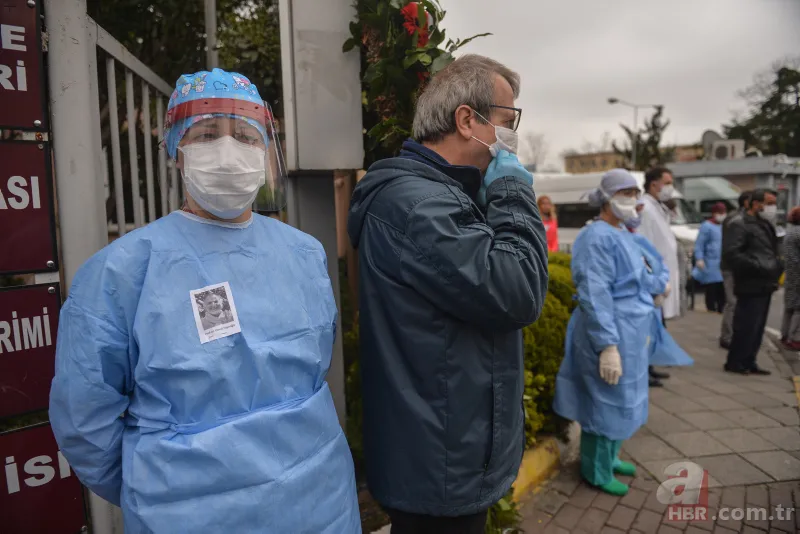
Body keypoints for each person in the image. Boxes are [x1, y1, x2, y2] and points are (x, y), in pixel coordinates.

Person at [49, 69, 361, 534]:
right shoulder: (122, 271)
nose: (229, 152)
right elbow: (84, 419)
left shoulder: (303, 253)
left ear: (264, 149)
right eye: (208, 134)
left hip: (320, 503)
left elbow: (313, 370)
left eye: (246, 136)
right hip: (186, 514)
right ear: (177, 150)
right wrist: (160, 487)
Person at [347, 54, 548, 533]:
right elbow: (517, 289)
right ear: (466, 120)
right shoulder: (417, 204)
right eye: (507, 120)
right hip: (438, 464)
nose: (510, 136)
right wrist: (513, 193)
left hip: (445, 454)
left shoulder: (443, 195)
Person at [553, 169, 664, 497]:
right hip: (609, 329)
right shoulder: (595, 237)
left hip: (632, 331)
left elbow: (639, 273)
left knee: (626, 396)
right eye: (625, 193)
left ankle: (611, 457)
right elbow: (594, 292)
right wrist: (607, 345)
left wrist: (655, 288)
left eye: (635, 193)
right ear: (606, 198)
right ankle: (595, 470)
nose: (633, 200)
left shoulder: (623, 233)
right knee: (604, 399)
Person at [722, 188, 782, 375]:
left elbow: (770, 249)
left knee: (757, 327)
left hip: (765, 282)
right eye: (769, 203)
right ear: (756, 204)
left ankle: (750, 360)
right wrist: (758, 265)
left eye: (774, 204)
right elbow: (732, 254)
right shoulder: (739, 224)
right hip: (750, 282)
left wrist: (777, 265)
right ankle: (736, 362)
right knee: (746, 325)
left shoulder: (765, 224)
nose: (772, 208)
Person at [637, 167, 678, 384]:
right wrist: (652, 281)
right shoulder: (645, 209)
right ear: (654, 184)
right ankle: (644, 370)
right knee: (649, 327)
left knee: (657, 326)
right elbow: (644, 246)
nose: (671, 187)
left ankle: (650, 366)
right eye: (667, 183)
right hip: (653, 280)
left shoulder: (657, 207)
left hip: (662, 278)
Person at [719, 190, 752, 348]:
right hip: (731, 267)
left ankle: (737, 335)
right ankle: (727, 337)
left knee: (739, 303)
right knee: (732, 302)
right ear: (746, 202)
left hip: (741, 267)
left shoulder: (743, 218)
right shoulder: (735, 219)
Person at [693, 203, 727, 313]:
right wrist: (699, 258)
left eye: (723, 212)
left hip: (722, 261)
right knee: (712, 287)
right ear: (714, 213)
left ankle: (721, 308)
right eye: (720, 213)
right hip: (710, 261)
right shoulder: (706, 226)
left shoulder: (724, 226)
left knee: (722, 288)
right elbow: (700, 244)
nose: (722, 215)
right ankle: (711, 308)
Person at [781, 206, 800, 350]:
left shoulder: (790, 232)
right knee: (799, 309)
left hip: (791, 273)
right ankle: (795, 338)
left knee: (789, 307)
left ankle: (785, 334)